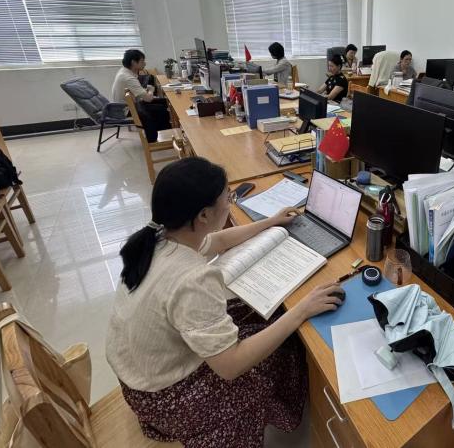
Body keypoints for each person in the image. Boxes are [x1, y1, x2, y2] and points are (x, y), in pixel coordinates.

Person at [106, 157, 342, 448]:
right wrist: (301, 310)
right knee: (284, 347)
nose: (230, 204)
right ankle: (269, 422)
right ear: (204, 215)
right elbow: (230, 366)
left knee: (254, 314)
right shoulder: (191, 278)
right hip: (166, 399)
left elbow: (218, 241)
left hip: (140, 375)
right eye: (227, 199)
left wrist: (270, 222)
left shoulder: (163, 235)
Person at [112, 49, 171, 142]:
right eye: (142, 61)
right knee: (161, 109)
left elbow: (137, 92)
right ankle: (158, 138)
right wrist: (151, 90)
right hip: (127, 109)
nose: (145, 63)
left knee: (164, 101)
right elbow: (148, 99)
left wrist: (146, 91)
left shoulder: (124, 71)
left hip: (130, 104)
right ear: (133, 62)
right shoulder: (128, 77)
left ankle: (166, 132)